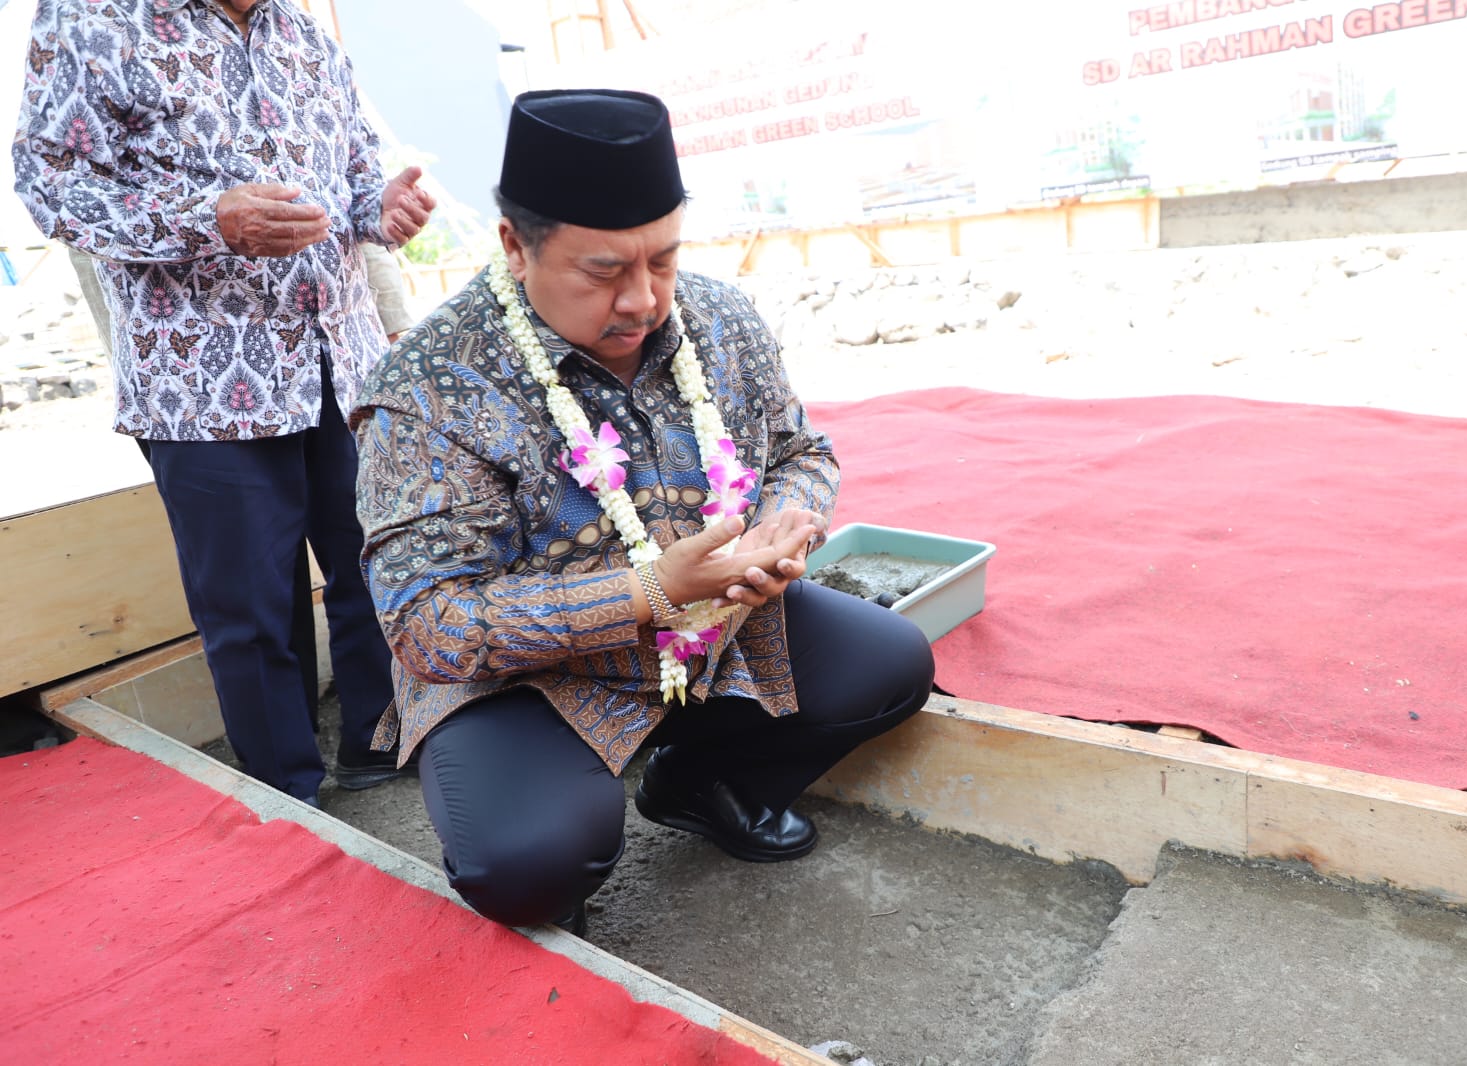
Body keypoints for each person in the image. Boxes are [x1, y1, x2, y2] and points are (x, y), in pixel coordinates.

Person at [349, 88, 935, 932]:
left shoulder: (717, 316)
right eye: (604, 271)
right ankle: (562, 860)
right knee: (526, 862)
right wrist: (650, 589)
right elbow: (430, 626)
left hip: (722, 622)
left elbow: (803, 451)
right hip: (531, 679)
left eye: (661, 259)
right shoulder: (431, 388)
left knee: (890, 665)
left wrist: (783, 523)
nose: (643, 300)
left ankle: (700, 784)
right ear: (515, 246)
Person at [12, 0, 436, 806]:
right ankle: (286, 790)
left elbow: (350, 170)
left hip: (340, 359)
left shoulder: (303, 29)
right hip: (201, 379)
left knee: (371, 561)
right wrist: (208, 220)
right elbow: (52, 186)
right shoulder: (92, 17)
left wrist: (377, 209)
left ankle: (379, 740)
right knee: (251, 601)